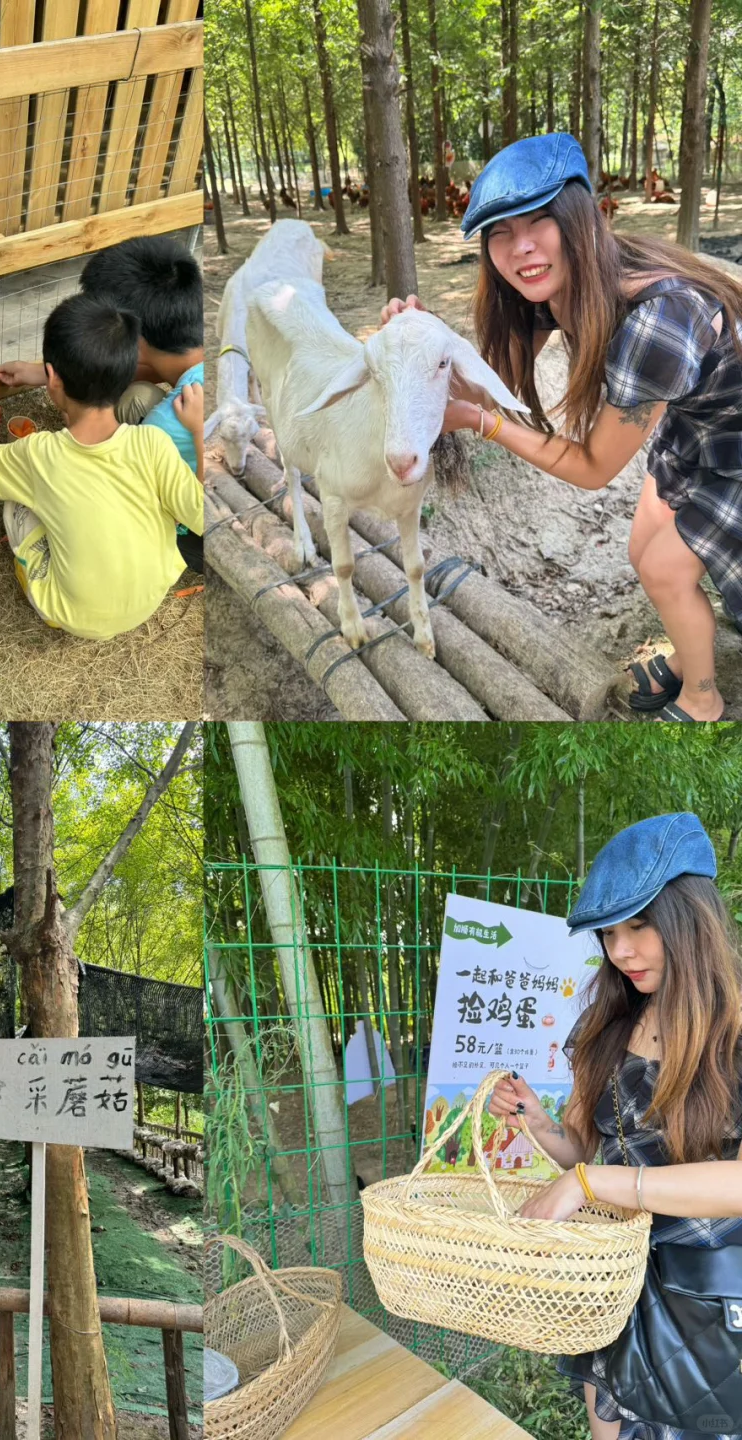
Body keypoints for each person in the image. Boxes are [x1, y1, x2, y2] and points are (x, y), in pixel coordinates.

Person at [380, 132, 742, 722]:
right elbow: (491, 381)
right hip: (699, 430)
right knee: (640, 548)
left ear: (581, 216)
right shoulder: (557, 286)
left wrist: (478, 422)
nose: (520, 247)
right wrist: (423, 342)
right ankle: (687, 648)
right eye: (500, 232)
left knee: (664, 567)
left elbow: (594, 468)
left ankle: (703, 698)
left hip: (734, 447)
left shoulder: (655, 321)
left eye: (540, 221)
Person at [489, 812, 742, 1440]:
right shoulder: (611, 1021)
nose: (620, 950)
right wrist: (539, 1122)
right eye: (608, 932)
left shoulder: (732, 1031)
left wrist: (591, 1183)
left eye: (641, 924)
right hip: (612, 1287)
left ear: (693, 920)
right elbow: (589, 1149)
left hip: (710, 1302)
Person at [0, 292, 202, 639]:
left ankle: (43, 596)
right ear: (127, 371)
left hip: (75, 615)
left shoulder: (39, 453)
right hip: (148, 600)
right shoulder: (154, 443)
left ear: (52, 377)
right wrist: (201, 432)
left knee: (15, 499)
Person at [77, 234, 204, 571]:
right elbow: (145, 366)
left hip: (196, 535)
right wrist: (45, 374)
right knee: (138, 396)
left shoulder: (160, 428)